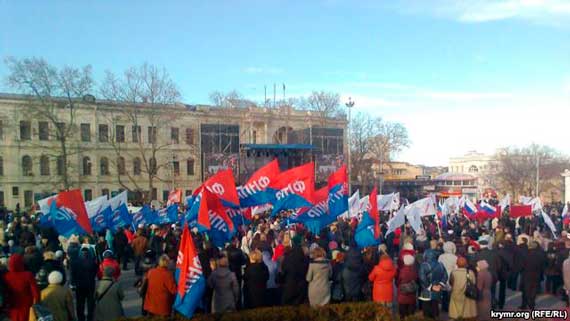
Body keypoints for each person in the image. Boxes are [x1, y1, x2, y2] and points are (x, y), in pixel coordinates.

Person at [2, 254, 39, 321]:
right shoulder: (28, 275)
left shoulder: (6, 276)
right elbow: (36, 293)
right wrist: (36, 305)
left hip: (13, 307)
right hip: (27, 306)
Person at [419, 247, 448, 319]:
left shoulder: (424, 265)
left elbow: (422, 279)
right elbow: (445, 276)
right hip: (437, 291)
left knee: (427, 312)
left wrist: (431, 287)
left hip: (427, 292)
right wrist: (440, 285)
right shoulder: (440, 264)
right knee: (435, 309)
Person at [279, 235, 309, 305]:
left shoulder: (288, 257)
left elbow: (283, 271)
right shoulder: (305, 257)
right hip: (302, 287)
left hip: (290, 286)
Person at [71, 246, 98, 321]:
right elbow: (95, 272)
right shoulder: (92, 262)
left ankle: (81, 318)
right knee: (90, 302)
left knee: (80, 303)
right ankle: (90, 317)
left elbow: (73, 274)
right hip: (90, 285)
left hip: (79, 285)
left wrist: (73, 283)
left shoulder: (75, 262)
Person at [520, 241, 546, 310]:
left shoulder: (525, 254)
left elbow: (521, 265)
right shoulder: (540, 255)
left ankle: (524, 304)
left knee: (526, 290)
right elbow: (543, 265)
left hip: (526, 275)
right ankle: (532, 304)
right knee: (533, 290)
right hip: (536, 275)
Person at [397, 254, 418, 318]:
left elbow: (398, 281)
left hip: (402, 296)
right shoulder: (414, 271)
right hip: (412, 296)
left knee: (402, 315)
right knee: (411, 315)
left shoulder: (402, 271)